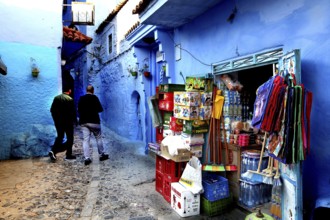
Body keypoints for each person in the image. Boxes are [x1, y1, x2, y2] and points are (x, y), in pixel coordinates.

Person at [78, 85, 109, 165]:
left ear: (86, 90)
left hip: (84, 122)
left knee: (86, 140)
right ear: (93, 91)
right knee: (98, 137)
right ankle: (102, 154)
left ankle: (87, 158)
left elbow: (79, 109)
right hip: (94, 121)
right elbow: (100, 109)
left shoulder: (81, 98)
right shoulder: (95, 98)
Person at [49, 84, 77, 161]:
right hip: (68, 122)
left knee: (60, 136)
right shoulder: (70, 99)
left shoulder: (56, 98)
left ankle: (53, 151)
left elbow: (52, 110)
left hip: (58, 122)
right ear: (69, 90)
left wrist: (56, 120)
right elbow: (72, 112)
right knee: (70, 138)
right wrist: (75, 121)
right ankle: (68, 154)